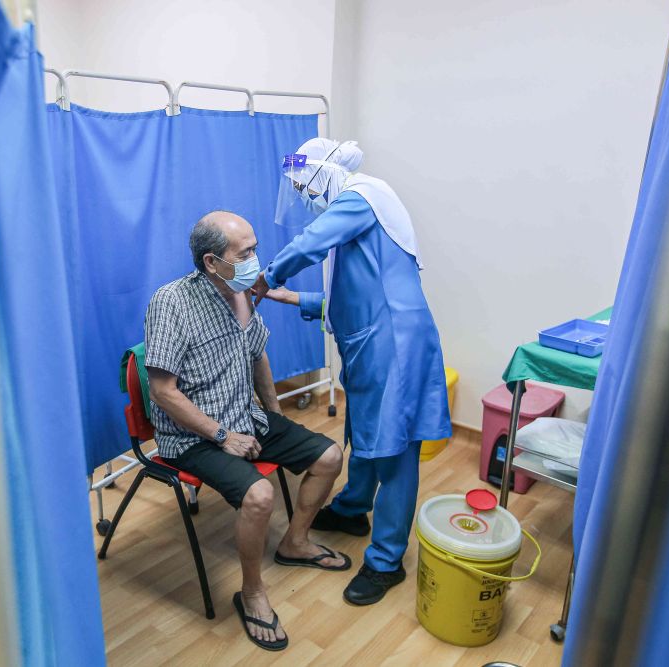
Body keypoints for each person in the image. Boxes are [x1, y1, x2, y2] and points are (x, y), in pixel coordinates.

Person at [253, 138, 451, 606]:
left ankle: (385, 562)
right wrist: (294, 299)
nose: (303, 198)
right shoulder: (363, 215)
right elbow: (355, 295)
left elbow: (309, 244)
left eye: (304, 187)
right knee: (365, 432)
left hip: (395, 345)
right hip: (374, 340)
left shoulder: (363, 195)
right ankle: (353, 507)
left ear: (323, 173)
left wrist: (264, 279)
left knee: (395, 449)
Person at [144, 210, 350, 651]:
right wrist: (221, 435)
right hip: (191, 436)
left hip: (246, 418)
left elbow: (257, 355)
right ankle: (253, 591)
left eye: (255, 248)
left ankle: (295, 543)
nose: (257, 259)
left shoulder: (243, 294)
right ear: (211, 262)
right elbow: (162, 391)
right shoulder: (172, 302)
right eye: (247, 252)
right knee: (259, 496)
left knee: (329, 456)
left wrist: (275, 417)